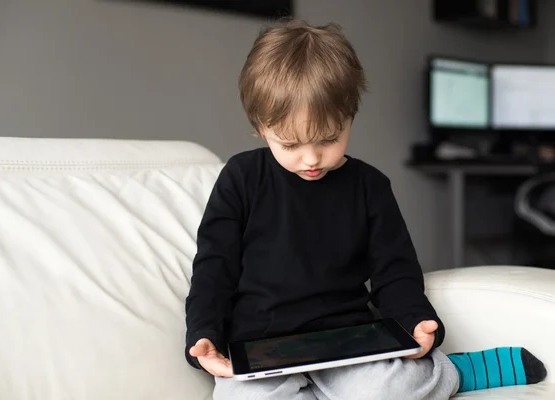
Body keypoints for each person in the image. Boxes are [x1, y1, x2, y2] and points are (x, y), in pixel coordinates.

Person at [184, 19, 546, 399]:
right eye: (290, 144)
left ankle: (453, 371)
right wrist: (204, 332)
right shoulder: (241, 177)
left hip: (349, 343)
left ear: (350, 116)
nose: (311, 158)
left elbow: (395, 271)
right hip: (260, 348)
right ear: (261, 127)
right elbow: (214, 266)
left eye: (328, 138)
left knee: (391, 388)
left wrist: (417, 321)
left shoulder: (369, 186)